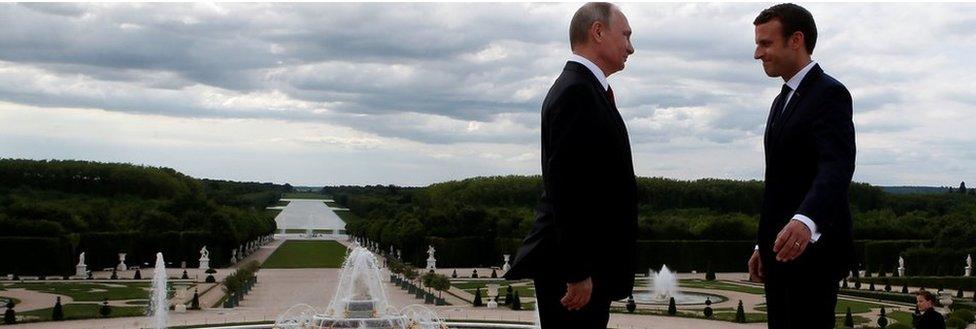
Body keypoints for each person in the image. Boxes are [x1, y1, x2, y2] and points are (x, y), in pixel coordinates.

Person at [504, 2, 637, 328]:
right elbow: (568, 189)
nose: (631, 47)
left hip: (584, 266)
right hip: (574, 272)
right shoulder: (576, 92)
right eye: (626, 35)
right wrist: (577, 272)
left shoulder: (586, 89)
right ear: (598, 32)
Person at [745, 3, 856, 329]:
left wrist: (807, 221)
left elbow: (836, 167)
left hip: (814, 253)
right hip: (782, 251)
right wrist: (763, 244)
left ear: (796, 40)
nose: (757, 53)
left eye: (765, 43)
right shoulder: (782, 99)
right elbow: (779, 183)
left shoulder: (830, 94)